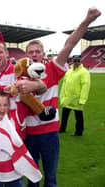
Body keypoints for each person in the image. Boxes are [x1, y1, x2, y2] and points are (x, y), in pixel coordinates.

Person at [23, 8, 101, 187]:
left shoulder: (52, 68)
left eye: (37, 52)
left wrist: (87, 21)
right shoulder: (20, 76)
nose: (34, 54)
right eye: (30, 52)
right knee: (32, 179)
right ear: (26, 55)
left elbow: (69, 44)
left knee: (50, 178)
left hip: (49, 132)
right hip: (28, 133)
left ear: (43, 54)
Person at [0, 91, 42, 187]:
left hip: (15, 172)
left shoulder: (15, 118)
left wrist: (16, 90)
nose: (2, 108)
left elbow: (25, 100)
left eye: (5, 105)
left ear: (10, 106)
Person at [59, 55, 91, 136]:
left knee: (78, 116)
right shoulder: (69, 71)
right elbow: (64, 84)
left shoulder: (84, 72)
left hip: (76, 98)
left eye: (78, 61)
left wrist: (82, 99)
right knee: (64, 115)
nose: (76, 62)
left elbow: (86, 86)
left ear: (80, 61)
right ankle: (62, 129)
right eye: (75, 61)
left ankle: (79, 131)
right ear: (72, 61)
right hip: (67, 98)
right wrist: (62, 95)